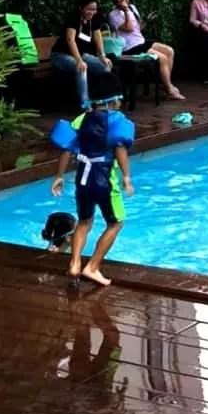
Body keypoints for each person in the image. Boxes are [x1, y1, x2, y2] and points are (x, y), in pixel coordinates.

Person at [49, 72, 135, 287]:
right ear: (114, 100)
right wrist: (126, 176)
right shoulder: (116, 120)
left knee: (84, 221)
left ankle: (75, 263)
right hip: (105, 181)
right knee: (116, 223)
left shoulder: (81, 119)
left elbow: (67, 149)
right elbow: (120, 149)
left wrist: (59, 177)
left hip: (83, 180)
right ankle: (92, 267)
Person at [108, 0, 185, 101]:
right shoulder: (113, 15)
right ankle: (170, 90)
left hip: (141, 41)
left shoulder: (132, 8)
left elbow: (137, 28)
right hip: (130, 47)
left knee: (169, 51)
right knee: (163, 58)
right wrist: (125, 11)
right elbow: (128, 28)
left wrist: (146, 23)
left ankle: (165, 83)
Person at [51, 0, 113, 108]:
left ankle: (102, 99)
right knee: (81, 68)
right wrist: (79, 60)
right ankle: (85, 104)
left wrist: (102, 56)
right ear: (81, 8)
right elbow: (70, 39)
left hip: (82, 54)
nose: (92, 12)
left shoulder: (94, 19)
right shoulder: (73, 18)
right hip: (61, 55)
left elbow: (98, 37)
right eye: (89, 9)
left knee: (105, 66)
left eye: (94, 9)